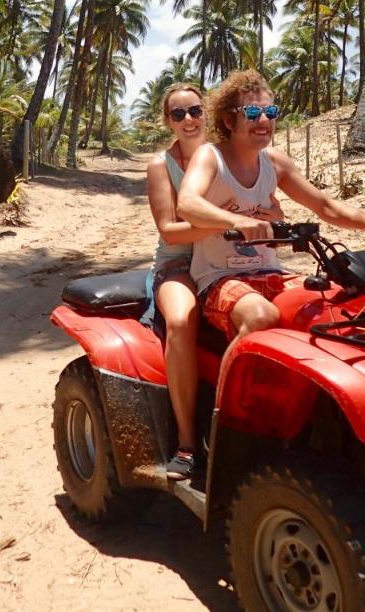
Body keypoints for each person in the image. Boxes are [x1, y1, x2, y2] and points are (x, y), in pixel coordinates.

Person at [178, 69, 365, 342]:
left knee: (337, 305)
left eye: (270, 112)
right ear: (228, 119)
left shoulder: (275, 162)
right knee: (260, 317)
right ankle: (231, 384)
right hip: (219, 278)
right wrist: (237, 221)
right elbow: (187, 203)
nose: (263, 120)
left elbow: (324, 206)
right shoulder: (211, 156)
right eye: (251, 113)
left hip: (272, 273)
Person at [145, 82, 216, 481]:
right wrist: (227, 225)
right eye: (178, 114)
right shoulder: (161, 165)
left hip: (224, 260)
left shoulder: (223, 155)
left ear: (206, 112)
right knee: (180, 322)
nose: (188, 120)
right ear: (167, 122)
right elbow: (170, 231)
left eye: (194, 111)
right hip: (178, 267)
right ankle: (187, 443)